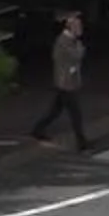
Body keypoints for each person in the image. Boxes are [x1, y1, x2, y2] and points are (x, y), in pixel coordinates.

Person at [28, 12, 92, 153]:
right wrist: (80, 48)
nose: (80, 29)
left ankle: (37, 130)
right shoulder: (63, 42)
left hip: (66, 82)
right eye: (78, 27)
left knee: (55, 111)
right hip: (65, 83)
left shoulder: (69, 41)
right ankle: (81, 142)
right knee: (75, 114)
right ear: (70, 28)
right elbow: (77, 56)